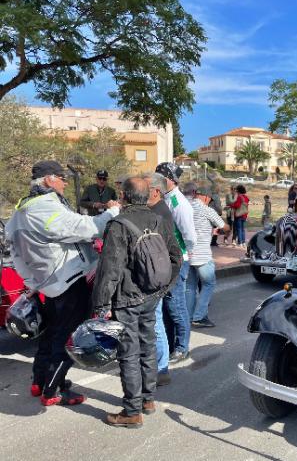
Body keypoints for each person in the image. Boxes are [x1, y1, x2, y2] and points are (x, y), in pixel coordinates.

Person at [5, 160, 120, 406]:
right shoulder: (45, 207)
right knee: (69, 337)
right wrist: (112, 212)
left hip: (48, 282)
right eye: (61, 177)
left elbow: (15, 252)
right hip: (69, 280)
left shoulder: (20, 211)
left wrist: (31, 281)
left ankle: (39, 380)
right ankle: (53, 389)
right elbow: (86, 228)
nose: (66, 182)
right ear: (48, 180)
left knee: (52, 332)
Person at [92, 177, 181, 428]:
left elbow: (110, 270)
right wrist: (164, 288)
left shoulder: (118, 224)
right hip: (151, 296)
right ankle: (148, 400)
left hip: (127, 299)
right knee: (148, 345)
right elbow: (176, 257)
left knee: (128, 353)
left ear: (124, 196)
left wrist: (100, 306)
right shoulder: (159, 220)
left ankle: (132, 411)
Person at [155, 162, 197, 363]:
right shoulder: (164, 199)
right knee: (165, 306)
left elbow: (189, 236)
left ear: (170, 180)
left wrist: (186, 256)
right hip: (165, 258)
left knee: (176, 305)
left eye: (159, 177)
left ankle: (181, 347)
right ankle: (170, 344)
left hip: (178, 259)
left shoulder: (179, 204)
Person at [144, 172, 176, 386]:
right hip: (155, 273)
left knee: (155, 322)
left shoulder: (160, 213)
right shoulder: (156, 209)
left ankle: (162, 368)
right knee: (154, 321)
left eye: (145, 188)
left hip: (156, 275)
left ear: (155, 191)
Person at [183, 183, 228, 327]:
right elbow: (224, 226)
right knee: (208, 284)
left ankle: (188, 317)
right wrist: (225, 229)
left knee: (190, 287)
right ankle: (199, 316)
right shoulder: (207, 210)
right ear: (207, 197)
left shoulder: (185, 207)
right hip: (202, 255)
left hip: (187, 255)